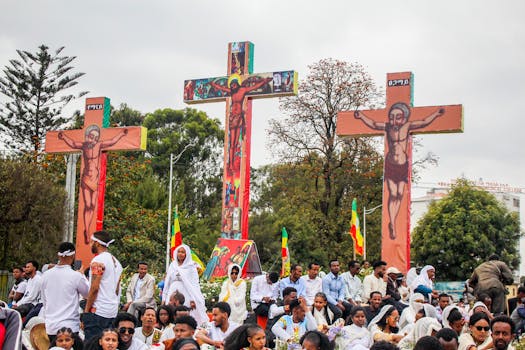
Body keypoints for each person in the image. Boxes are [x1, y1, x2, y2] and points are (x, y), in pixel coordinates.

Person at [354, 104, 444, 239]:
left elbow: (424, 122)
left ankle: (393, 222)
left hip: (402, 165)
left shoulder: (407, 127)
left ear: (404, 118)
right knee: (393, 192)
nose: (394, 121)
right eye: (392, 117)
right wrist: (361, 116)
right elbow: (372, 124)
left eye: (398, 118)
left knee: (400, 193)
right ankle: (393, 224)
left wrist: (436, 114)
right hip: (390, 164)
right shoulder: (387, 127)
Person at [58, 126, 129, 244]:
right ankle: (86, 230)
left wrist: (121, 134)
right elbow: (73, 143)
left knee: (92, 206)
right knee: (88, 204)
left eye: (96, 137)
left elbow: (111, 142)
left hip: (95, 179)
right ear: (88, 136)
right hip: (86, 178)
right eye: (92, 137)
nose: (94, 139)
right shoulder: (84, 145)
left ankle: (88, 229)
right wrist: (64, 136)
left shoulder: (99, 145)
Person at [208, 75, 273, 173]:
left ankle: (233, 165)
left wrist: (264, 82)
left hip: (239, 118)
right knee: (232, 143)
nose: (232, 86)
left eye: (233, 84)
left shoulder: (243, 90)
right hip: (232, 118)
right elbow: (221, 88)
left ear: (237, 84)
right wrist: (213, 84)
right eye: (231, 85)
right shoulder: (231, 92)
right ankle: (230, 165)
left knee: (236, 143)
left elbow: (254, 87)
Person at [41, 242, 90, 342]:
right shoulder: (75, 276)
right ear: (73, 256)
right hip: (70, 326)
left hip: (51, 326)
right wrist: (82, 276)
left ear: (58, 255)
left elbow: (44, 300)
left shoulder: (45, 275)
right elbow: (88, 294)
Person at [83, 230, 123, 342]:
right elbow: (117, 289)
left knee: (92, 345)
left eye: (91, 242)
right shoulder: (117, 262)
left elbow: (94, 288)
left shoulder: (98, 261)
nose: (90, 245)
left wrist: (86, 311)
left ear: (97, 243)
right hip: (112, 311)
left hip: (98, 311)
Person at [163, 244, 207, 325]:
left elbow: (194, 284)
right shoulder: (173, 265)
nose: (180, 254)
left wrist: (193, 299)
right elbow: (167, 282)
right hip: (172, 291)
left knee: (184, 311)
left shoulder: (191, 266)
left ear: (186, 254)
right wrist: (164, 297)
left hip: (186, 292)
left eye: (183, 252)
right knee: (170, 310)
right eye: (179, 252)